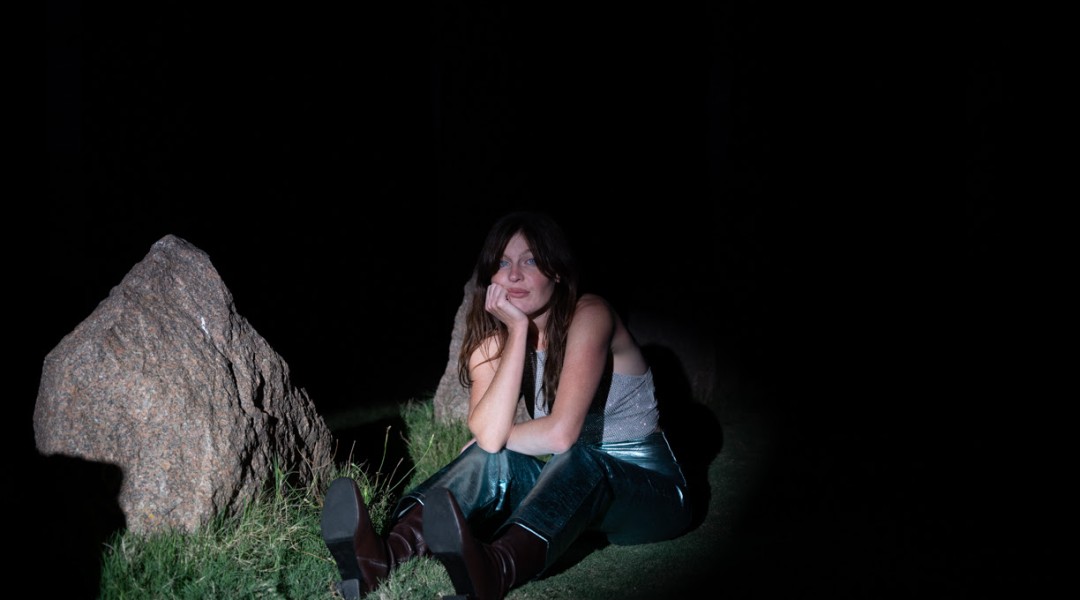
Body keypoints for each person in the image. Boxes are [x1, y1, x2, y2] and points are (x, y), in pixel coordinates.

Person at [320, 211, 693, 600]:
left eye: (529, 260)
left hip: (652, 494)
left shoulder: (591, 314)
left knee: (573, 456)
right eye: (502, 263)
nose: (514, 275)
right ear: (491, 279)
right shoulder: (495, 344)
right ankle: (382, 558)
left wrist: (495, 440)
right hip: (577, 495)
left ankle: (495, 569)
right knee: (491, 456)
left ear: (557, 271)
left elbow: (561, 435)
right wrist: (516, 331)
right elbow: (488, 436)